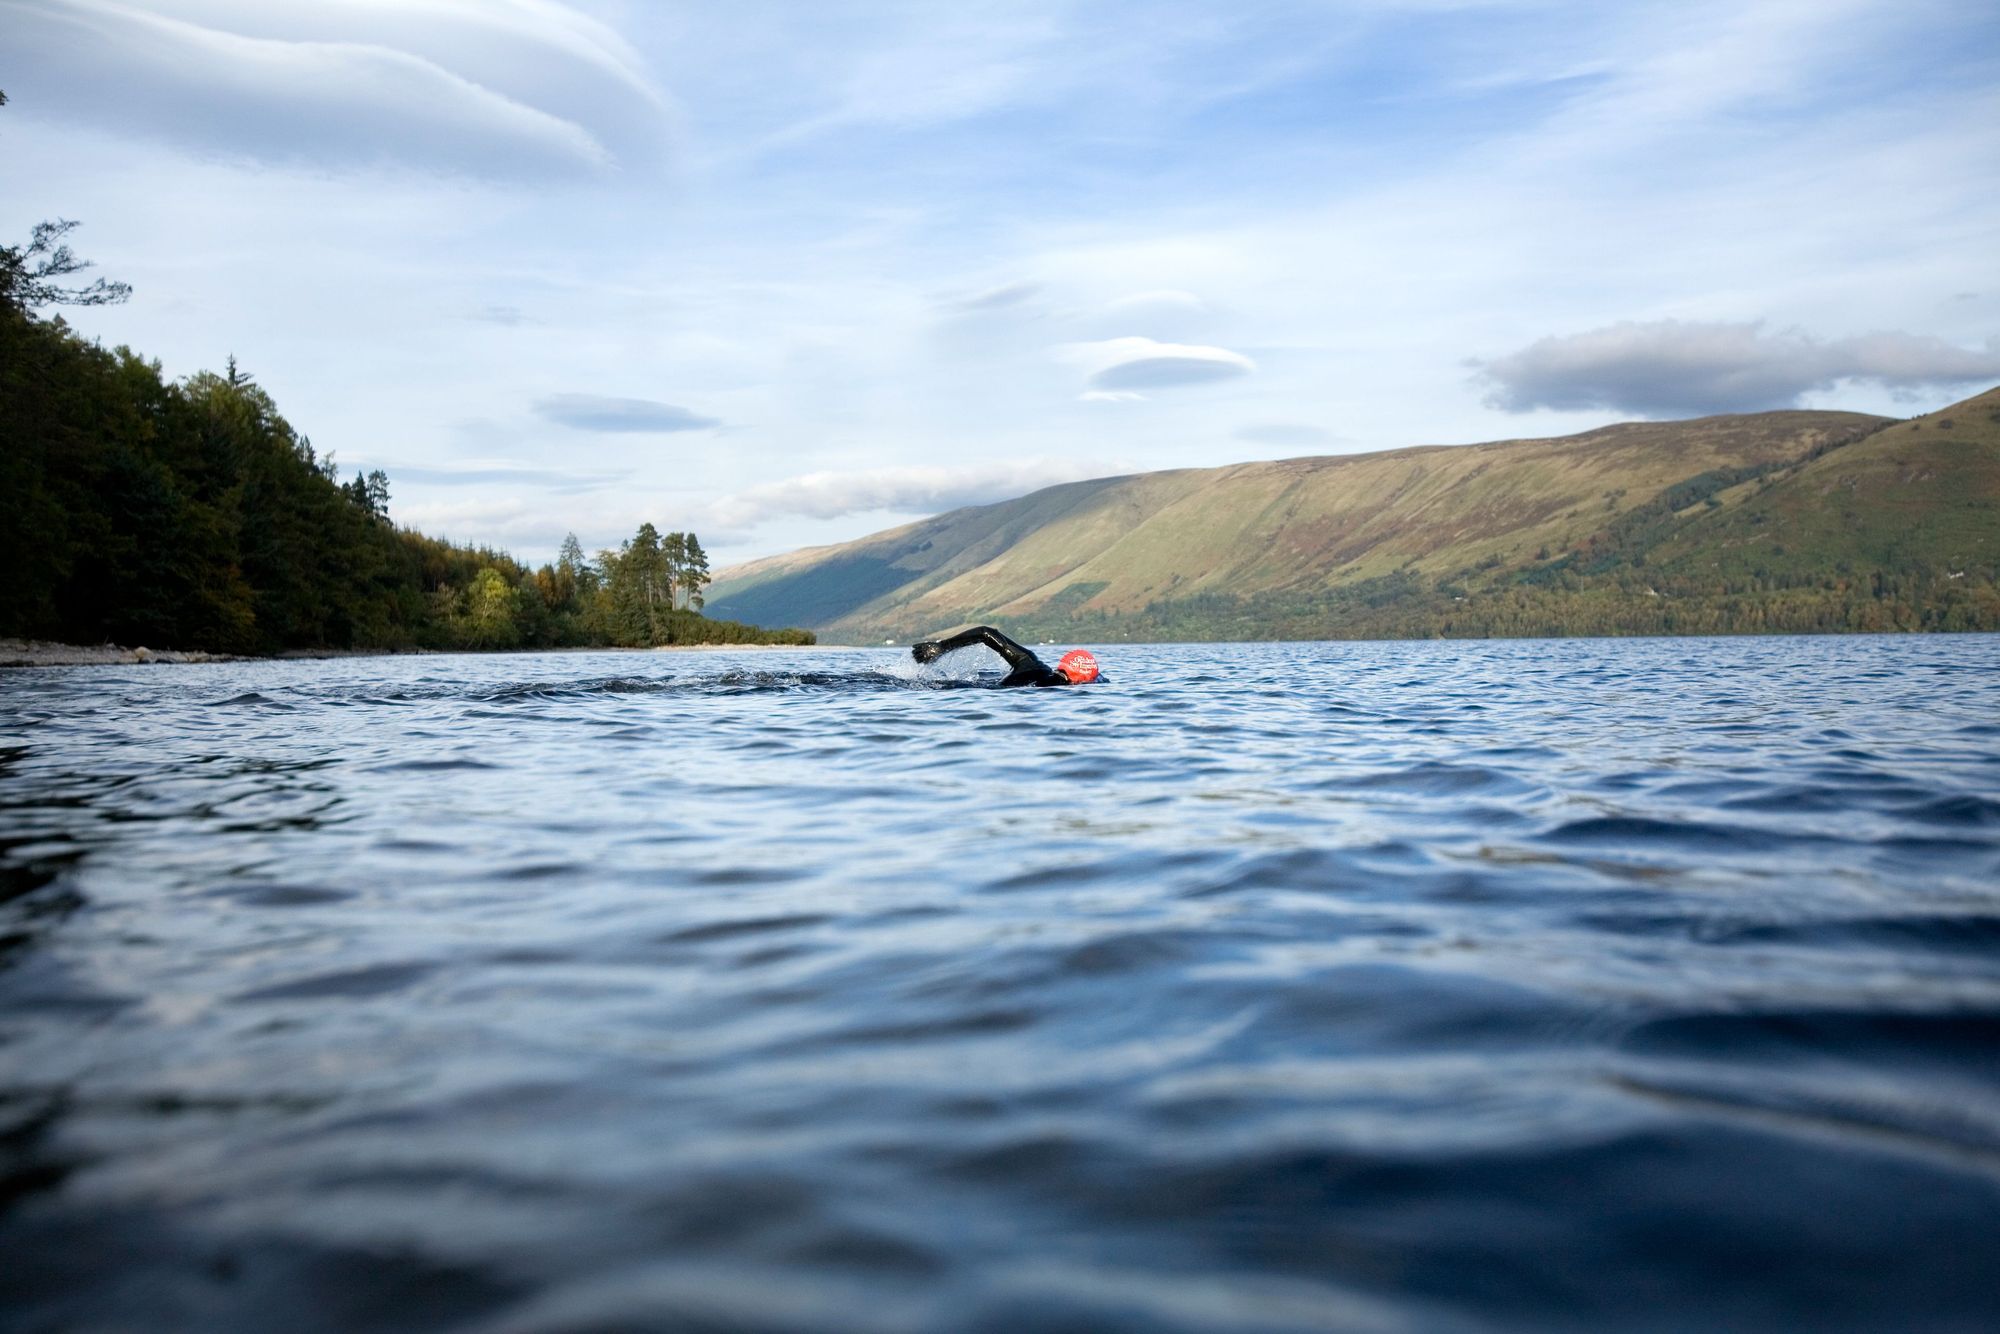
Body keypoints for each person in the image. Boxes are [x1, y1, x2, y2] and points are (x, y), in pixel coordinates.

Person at [911, 625, 1101, 687]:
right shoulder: (1055, 692)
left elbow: (985, 632)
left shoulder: (1030, 663)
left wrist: (941, 647)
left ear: (1063, 664)